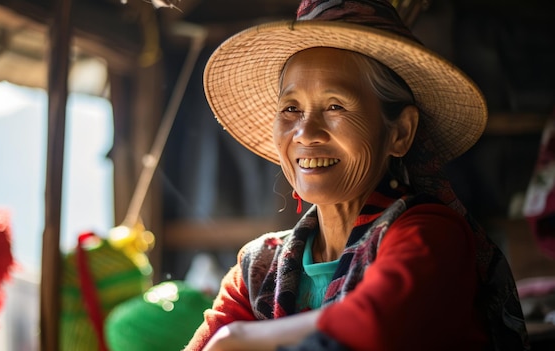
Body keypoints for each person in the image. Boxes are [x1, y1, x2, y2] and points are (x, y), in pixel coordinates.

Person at [184, 0, 529, 350]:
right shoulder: (259, 269)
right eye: (291, 108)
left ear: (400, 133)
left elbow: (376, 326)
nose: (306, 132)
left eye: (335, 106)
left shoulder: (429, 234)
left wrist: (239, 336)